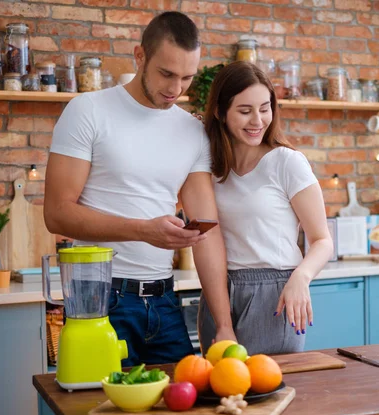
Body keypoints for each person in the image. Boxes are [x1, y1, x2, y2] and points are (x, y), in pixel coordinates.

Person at [44, 12, 235, 366]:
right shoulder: (88, 111)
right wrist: (143, 231)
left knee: (187, 413)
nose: (176, 89)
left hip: (164, 300)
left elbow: (206, 230)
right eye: (166, 73)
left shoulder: (192, 132)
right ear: (140, 56)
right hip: (101, 298)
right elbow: (57, 213)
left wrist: (224, 326)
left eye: (187, 78)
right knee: (103, 414)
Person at [198, 61, 334, 355]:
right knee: (220, 392)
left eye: (264, 108)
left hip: (274, 293)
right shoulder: (210, 167)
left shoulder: (287, 162)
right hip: (218, 292)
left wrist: (301, 276)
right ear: (221, 113)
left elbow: (322, 240)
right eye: (245, 111)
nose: (257, 120)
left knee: (272, 390)